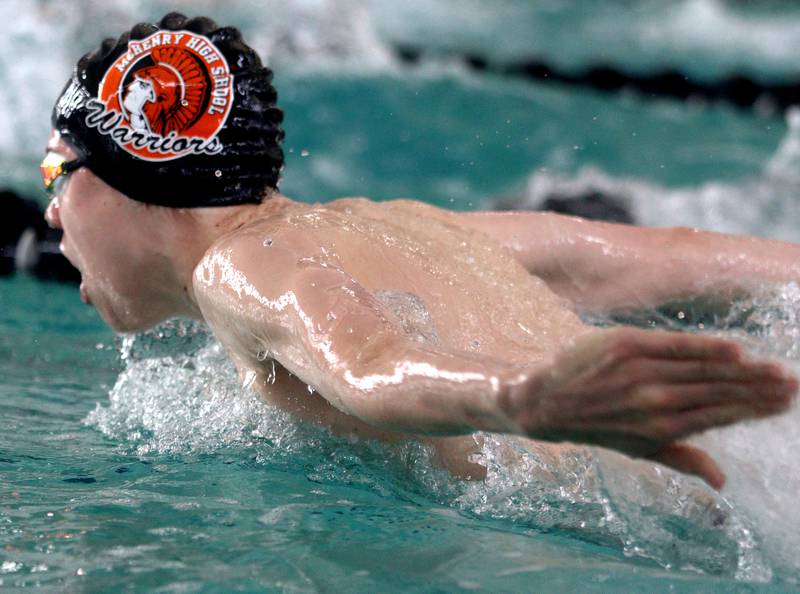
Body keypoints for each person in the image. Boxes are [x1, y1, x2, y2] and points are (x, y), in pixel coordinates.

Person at [43, 13, 796, 491]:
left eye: (56, 172)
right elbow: (642, 258)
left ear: (126, 173)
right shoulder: (402, 224)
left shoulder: (235, 267)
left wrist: (526, 397)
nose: (49, 212)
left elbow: (369, 361)